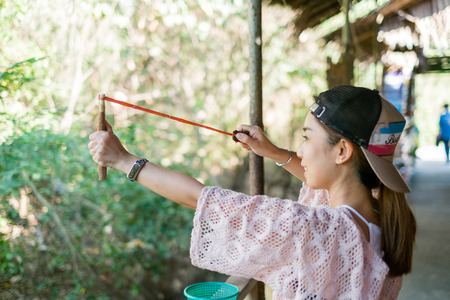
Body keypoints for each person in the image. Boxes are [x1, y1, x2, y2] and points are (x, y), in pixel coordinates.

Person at [88, 85, 416, 299]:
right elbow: (325, 183)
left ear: (342, 151)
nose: (300, 151)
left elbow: (200, 198)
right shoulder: (378, 218)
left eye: (306, 138)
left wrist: (125, 160)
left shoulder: (314, 230)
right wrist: (274, 152)